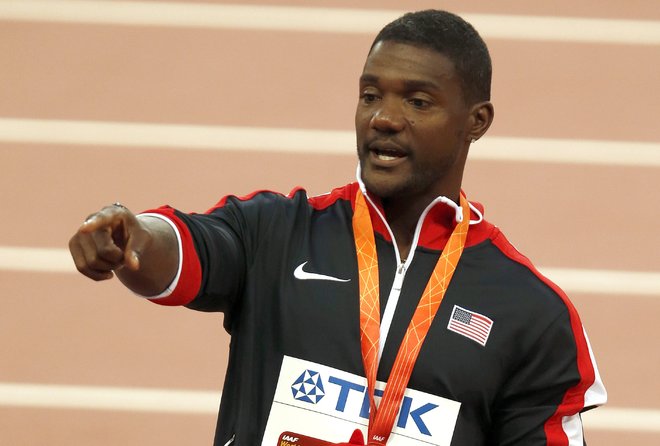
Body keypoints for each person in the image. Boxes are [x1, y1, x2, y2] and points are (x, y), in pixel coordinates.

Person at [69, 9, 606, 446]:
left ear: (477, 121)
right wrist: (133, 238)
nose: (383, 118)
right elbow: (185, 251)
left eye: (417, 101)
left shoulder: (532, 315)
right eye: (371, 95)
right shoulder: (277, 233)